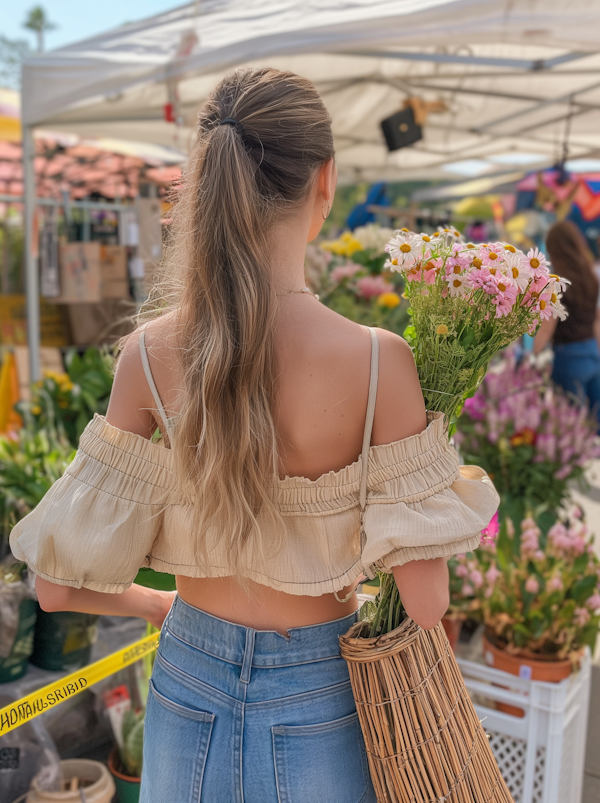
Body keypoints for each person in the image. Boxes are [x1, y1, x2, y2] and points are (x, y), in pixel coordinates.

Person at [10, 68, 498, 802]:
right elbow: (426, 604)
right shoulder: (378, 362)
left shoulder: (148, 355)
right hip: (326, 693)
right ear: (325, 180)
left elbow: (53, 586)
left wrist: (155, 603)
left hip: (184, 685)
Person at [535, 220, 600, 427]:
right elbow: (596, 321)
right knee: (595, 424)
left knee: (571, 427)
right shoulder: (591, 278)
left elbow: (547, 328)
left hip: (569, 358)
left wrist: (532, 357)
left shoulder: (558, 285)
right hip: (592, 354)